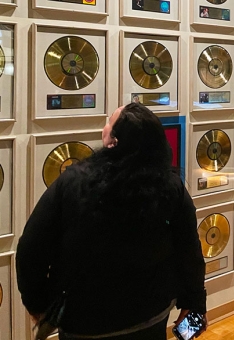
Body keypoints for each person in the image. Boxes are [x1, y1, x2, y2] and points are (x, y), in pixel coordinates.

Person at [16, 103, 207, 339]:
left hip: (83, 326)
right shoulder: (170, 186)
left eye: (108, 122)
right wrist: (195, 307)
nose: (104, 127)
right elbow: (190, 252)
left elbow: (30, 250)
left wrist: (40, 307)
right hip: (151, 320)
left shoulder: (74, 182)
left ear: (114, 142)